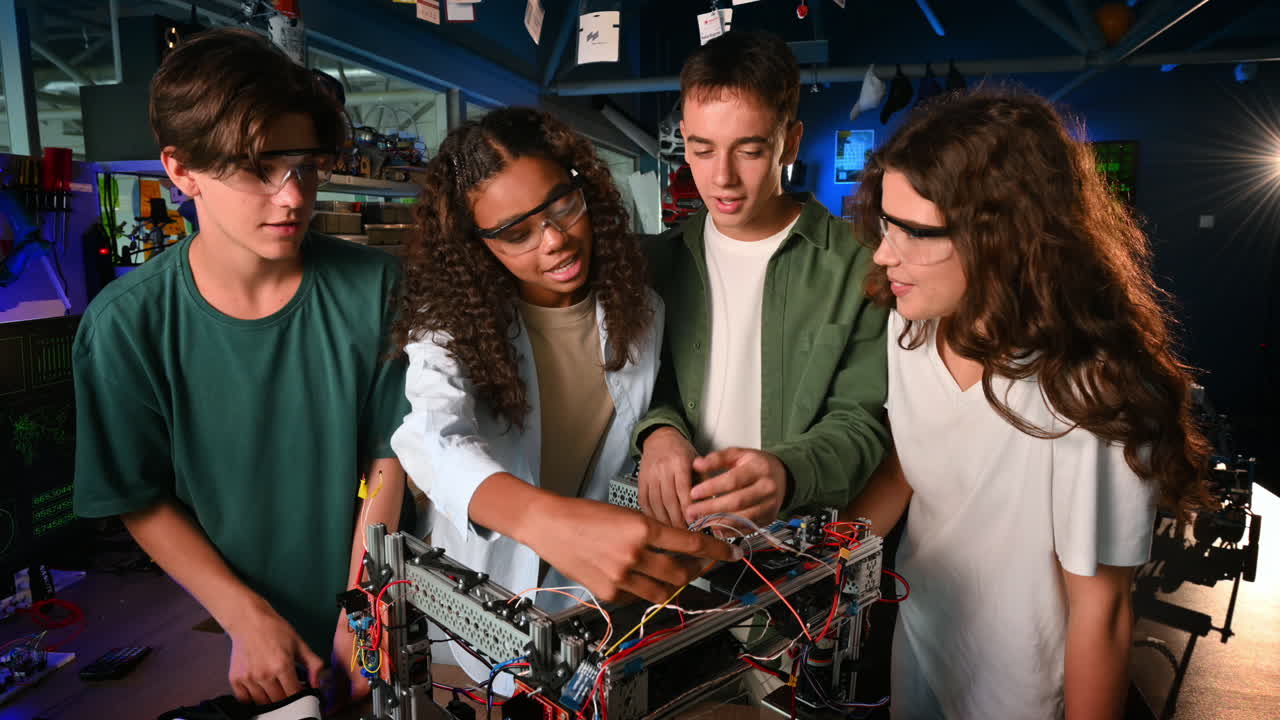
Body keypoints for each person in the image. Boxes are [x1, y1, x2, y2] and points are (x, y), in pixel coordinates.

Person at [844, 88, 1212, 720]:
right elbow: (913, 462)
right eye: (885, 223)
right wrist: (825, 564)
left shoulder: (1089, 393)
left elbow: (1104, 612)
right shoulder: (911, 324)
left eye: (914, 232)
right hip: (924, 642)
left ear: (1005, 238)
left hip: (1023, 689)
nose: (883, 252)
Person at [72, 28, 409, 708]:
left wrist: (363, 604)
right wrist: (244, 616)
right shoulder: (126, 326)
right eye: (259, 169)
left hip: (389, 608)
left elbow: (391, 457)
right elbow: (137, 494)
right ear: (180, 169)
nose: (291, 197)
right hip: (232, 635)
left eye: (305, 168)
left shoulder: (376, 288)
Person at [388, 107, 739, 683]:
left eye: (561, 206)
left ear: (585, 188)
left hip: (588, 599)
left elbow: (647, 403)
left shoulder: (639, 311)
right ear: (476, 244)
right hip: (484, 591)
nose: (554, 240)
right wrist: (547, 522)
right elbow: (430, 435)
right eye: (517, 233)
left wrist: (664, 436)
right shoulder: (451, 326)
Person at [634, 31, 889, 529]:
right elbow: (643, 383)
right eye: (702, 150)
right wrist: (658, 432)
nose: (722, 178)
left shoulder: (861, 263)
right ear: (683, 136)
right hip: (678, 532)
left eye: (748, 151)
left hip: (794, 547)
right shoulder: (655, 262)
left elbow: (863, 421)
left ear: (790, 141)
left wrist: (789, 473)